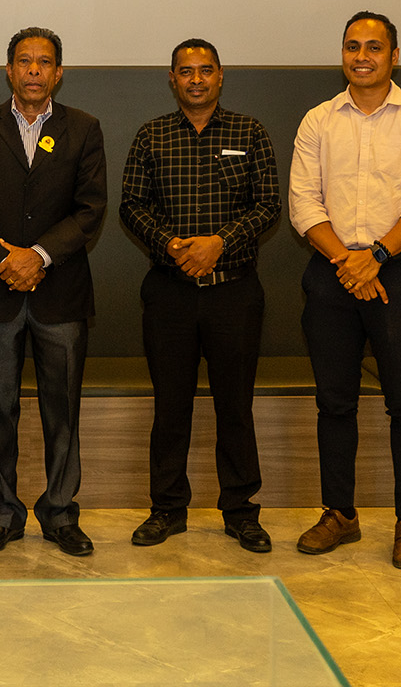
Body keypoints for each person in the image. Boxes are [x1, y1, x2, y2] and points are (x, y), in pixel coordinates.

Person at [289, 11, 401, 569]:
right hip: (332, 269)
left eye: (374, 47)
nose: (362, 56)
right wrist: (348, 261)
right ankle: (340, 513)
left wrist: (375, 257)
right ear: (342, 55)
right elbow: (303, 202)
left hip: (396, 271)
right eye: (352, 46)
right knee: (334, 401)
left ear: (394, 56)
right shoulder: (318, 120)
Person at [0, 27, 106, 557]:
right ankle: (3, 514)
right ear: (9, 70)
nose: (34, 70)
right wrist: (5, 259)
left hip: (60, 293)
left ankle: (60, 512)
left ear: (58, 72)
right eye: (24, 61)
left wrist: (37, 256)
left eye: (44, 62)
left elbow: (90, 208)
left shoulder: (83, 128)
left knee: (63, 410)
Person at [120, 38, 281, 553]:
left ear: (220, 75)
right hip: (169, 293)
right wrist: (172, 246)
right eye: (186, 71)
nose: (196, 80)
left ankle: (240, 511)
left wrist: (219, 244)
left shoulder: (249, 131)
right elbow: (131, 205)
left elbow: (268, 204)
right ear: (172, 78)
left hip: (234, 292)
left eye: (205, 70)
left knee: (236, 407)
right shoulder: (152, 135)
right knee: (171, 407)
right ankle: (167, 509)